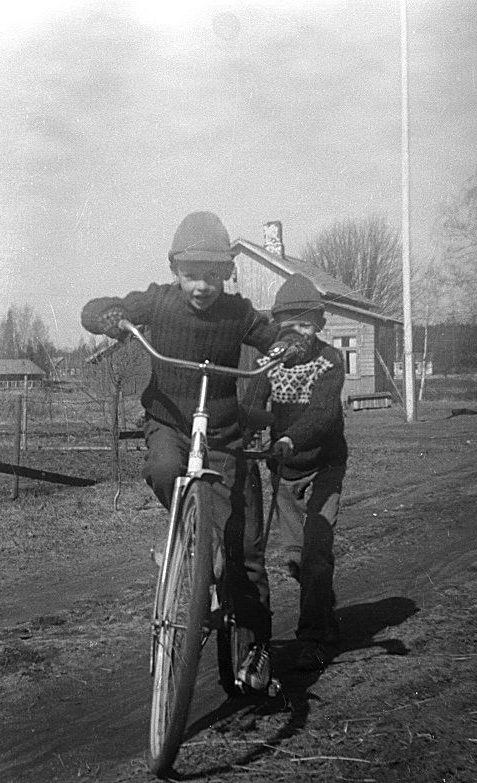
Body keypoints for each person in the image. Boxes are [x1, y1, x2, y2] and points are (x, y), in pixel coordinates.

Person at [80, 211, 304, 693]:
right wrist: (108, 317)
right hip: (170, 423)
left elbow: (271, 335)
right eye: (191, 275)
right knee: (162, 468)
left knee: (245, 549)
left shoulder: (237, 313)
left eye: (213, 276)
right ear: (174, 271)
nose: (202, 287)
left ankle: (258, 649)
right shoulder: (157, 302)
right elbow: (99, 306)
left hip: (224, 434)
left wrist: (290, 341)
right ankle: (189, 541)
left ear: (226, 275)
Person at [251, 273, 348, 672]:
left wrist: (290, 437)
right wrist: (247, 431)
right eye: (290, 325)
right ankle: (322, 605)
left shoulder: (330, 360)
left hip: (324, 465)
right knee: (295, 559)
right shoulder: (267, 363)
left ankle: (314, 638)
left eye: (307, 324)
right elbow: (253, 404)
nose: (298, 333)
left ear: (319, 326)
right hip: (284, 470)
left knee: (316, 554)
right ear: (278, 326)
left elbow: (323, 414)